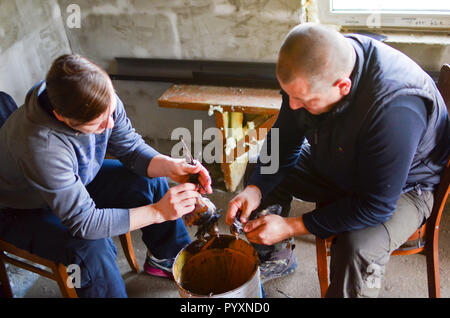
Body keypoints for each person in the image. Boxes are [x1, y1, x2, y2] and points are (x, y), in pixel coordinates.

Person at [226, 23, 449, 297]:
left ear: (343, 86)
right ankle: (275, 256)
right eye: (289, 95)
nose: (293, 106)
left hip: (405, 187)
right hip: (342, 157)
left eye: (304, 100)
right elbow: (285, 138)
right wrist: (255, 188)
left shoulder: (397, 107)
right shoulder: (312, 68)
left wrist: (291, 227)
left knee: (356, 248)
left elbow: (376, 205)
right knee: (261, 168)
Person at [0, 54, 212, 298]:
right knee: (91, 249)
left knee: (147, 181)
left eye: (110, 112)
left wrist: (171, 166)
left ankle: (166, 256)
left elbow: (130, 148)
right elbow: (84, 223)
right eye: (97, 123)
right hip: (21, 208)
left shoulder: (96, 94)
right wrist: (158, 212)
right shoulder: (41, 146)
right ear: (62, 117)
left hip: (75, 182)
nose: (110, 124)